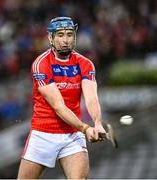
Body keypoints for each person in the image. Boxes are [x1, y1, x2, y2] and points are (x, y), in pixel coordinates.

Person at [17, 16, 106, 179]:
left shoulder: (85, 64)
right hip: (43, 133)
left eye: (70, 34)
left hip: (72, 134)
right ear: (51, 38)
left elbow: (91, 97)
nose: (66, 40)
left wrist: (98, 123)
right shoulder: (41, 64)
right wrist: (86, 129)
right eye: (60, 35)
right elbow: (59, 106)